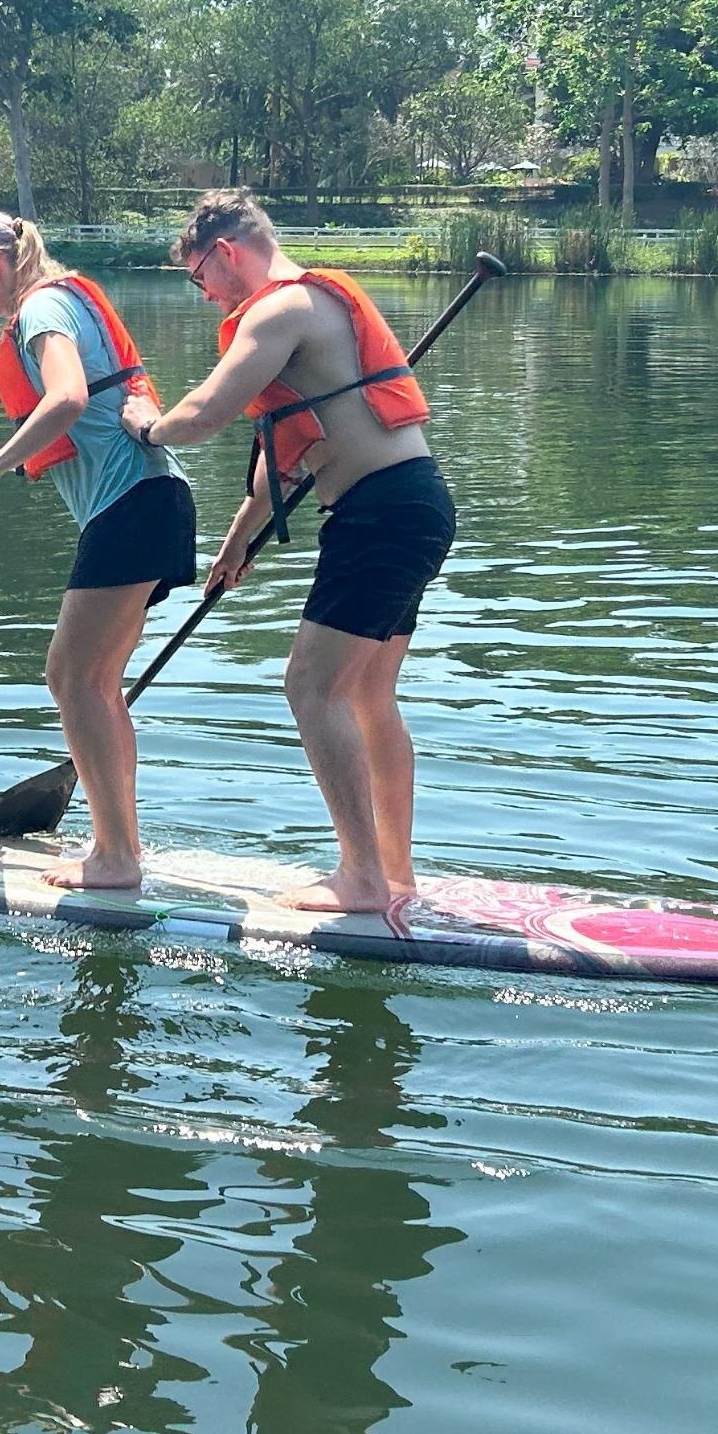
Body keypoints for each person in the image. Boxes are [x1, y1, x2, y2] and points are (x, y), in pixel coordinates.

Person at [124, 189, 455, 920]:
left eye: (199, 276)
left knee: (310, 687)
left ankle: (361, 877)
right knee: (367, 695)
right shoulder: (315, 306)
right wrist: (237, 542)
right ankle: (393, 872)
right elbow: (291, 461)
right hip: (415, 504)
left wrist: (147, 425)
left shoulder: (280, 310)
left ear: (226, 252)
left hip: (380, 515)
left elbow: (202, 415)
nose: (204, 293)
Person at [0, 208, 197, 891]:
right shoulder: (60, 301)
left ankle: (115, 857)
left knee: (72, 678)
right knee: (95, 683)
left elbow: (69, 397)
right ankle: (121, 845)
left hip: (132, 506)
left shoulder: (44, 308)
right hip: (153, 501)